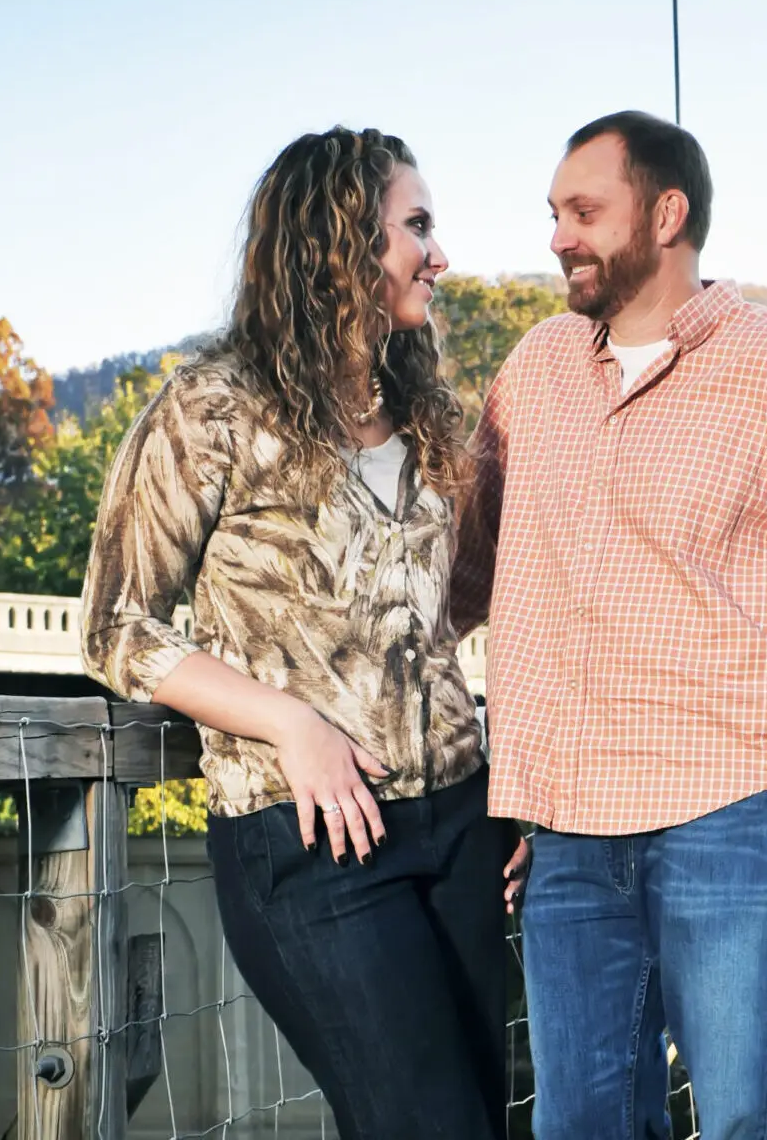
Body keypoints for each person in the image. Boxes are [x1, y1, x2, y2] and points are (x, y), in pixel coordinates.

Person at [453, 111, 767, 1139]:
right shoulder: (534, 372)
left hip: (734, 814)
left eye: (583, 211)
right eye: (552, 213)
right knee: (579, 1128)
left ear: (667, 213)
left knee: (741, 1121)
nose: (558, 235)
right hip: (563, 833)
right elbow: (463, 575)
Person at [81, 127, 526, 1140]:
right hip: (307, 837)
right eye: (415, 226)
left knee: (478, 1125)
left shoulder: (425, 418)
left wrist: (508, 785)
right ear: (338, 242)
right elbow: (115, 629)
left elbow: (442, 621)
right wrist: (292, 723)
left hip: (462, 826)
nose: (439, 254)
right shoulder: (209, 410)